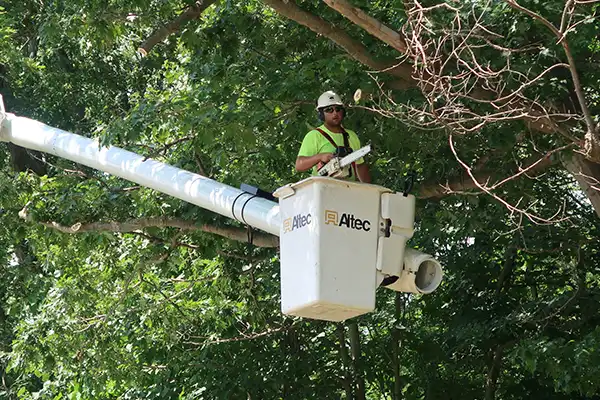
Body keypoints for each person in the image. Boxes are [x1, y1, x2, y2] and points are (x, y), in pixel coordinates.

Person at [295, 91, 371, 183]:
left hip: (348, 188)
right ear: (321, 114)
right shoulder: (315, 135)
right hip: (323, 188)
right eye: (329, 110)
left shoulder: (351, 136)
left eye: (338, 109)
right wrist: (320, 157)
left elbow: (360, 166)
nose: (335, 113)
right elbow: (299, 165)